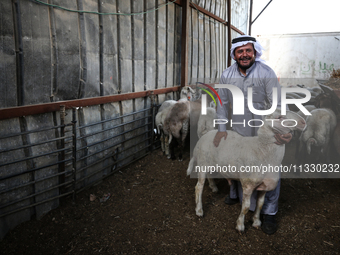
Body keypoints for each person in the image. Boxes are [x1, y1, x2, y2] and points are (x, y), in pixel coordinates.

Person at [213, 35, 292, 235]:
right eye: (240, 51)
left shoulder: (266, 73)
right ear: (234, 54)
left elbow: (279, 104)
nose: (245, 54)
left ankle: (270, 213)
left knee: (271, 171)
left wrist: (283, 129)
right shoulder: (227, 75)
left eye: (248, 50)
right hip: (240, 132)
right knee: (242, 166)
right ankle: (243, 201)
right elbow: (221, 103)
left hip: (265, 133)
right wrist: (221, 130)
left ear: (255, 52)